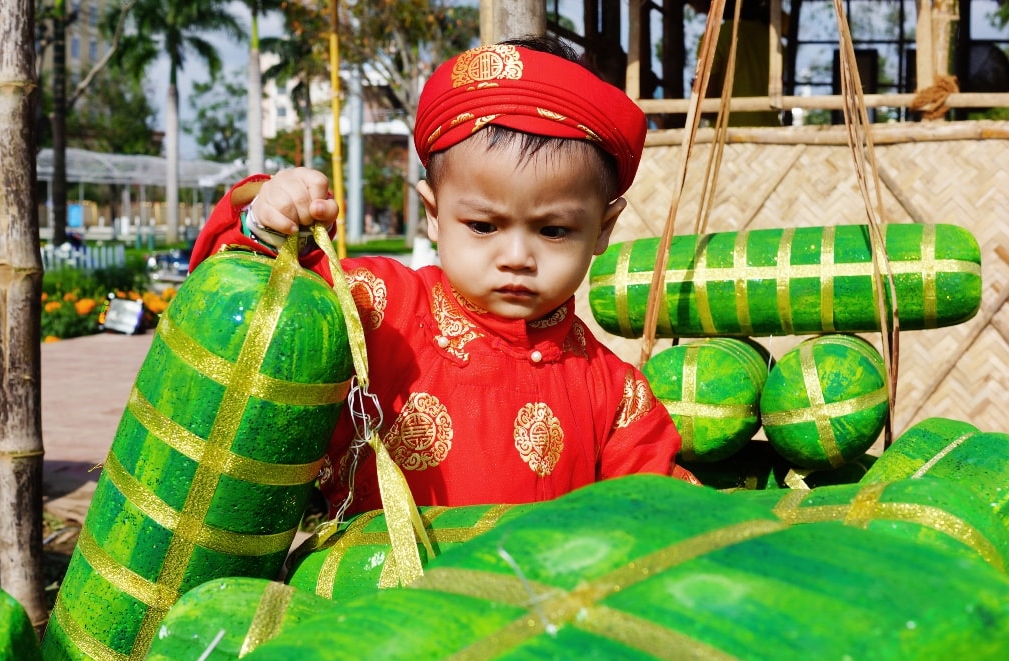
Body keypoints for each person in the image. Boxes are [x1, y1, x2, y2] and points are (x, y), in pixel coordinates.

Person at [190, 36, 695, 518]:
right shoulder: (379, 308)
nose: (517, 256)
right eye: (482, 225)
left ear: (603, 228)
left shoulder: (616, 394)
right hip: (373, 602)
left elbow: (659, 516)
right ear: (433, 213)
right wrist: (269, 221)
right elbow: (244, 298)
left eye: (554, 230)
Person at [691, 0, 782, 127]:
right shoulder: (773, 40)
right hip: (770, 131)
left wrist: (695, 88)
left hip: (730, 134)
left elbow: (707, 109)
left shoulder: (715, 38)